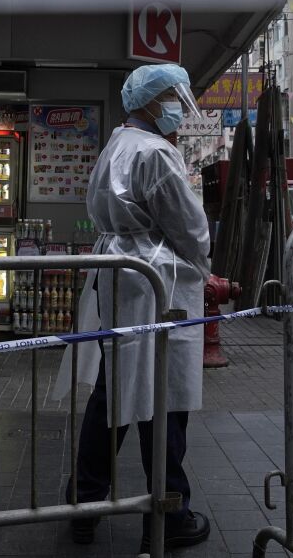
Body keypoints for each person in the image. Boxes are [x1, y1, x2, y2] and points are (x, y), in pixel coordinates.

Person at [58, 64, 212, 552]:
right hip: (158, 283)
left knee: (114, 394)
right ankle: (169, 512)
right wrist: (205, 268)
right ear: (148, 100)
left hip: (120, 280)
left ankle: (84, 503)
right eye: (171, 96)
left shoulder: (116, 145)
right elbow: (189, 228)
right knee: (163, 399)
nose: (177, 106)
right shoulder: (157, 154)